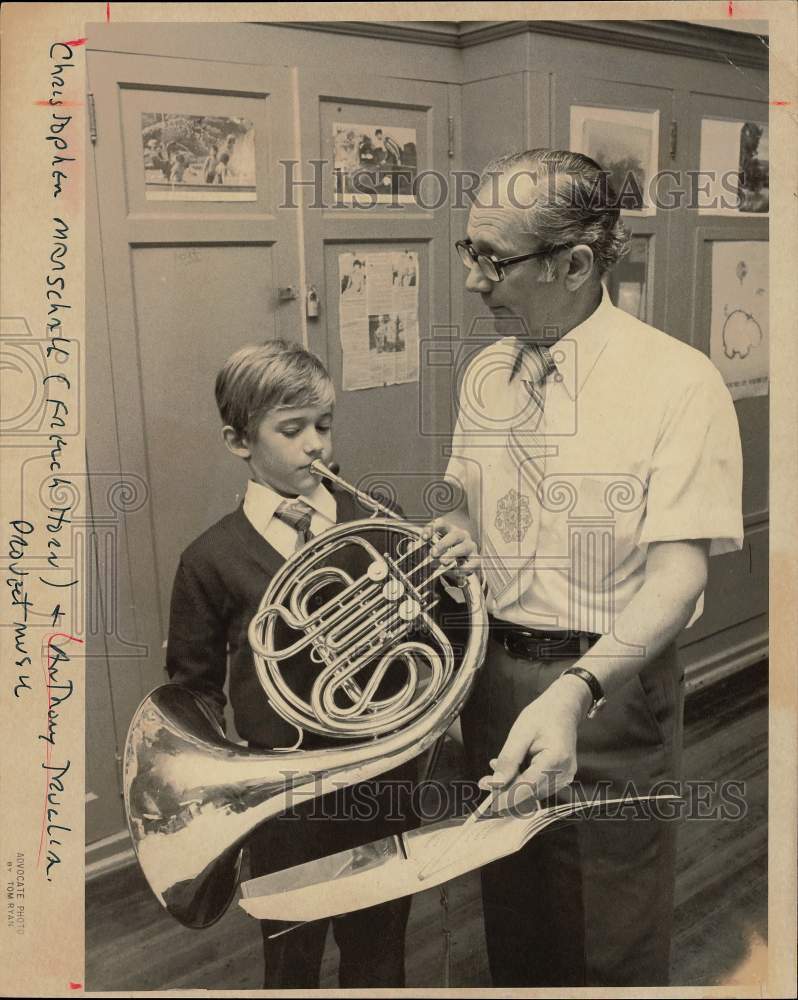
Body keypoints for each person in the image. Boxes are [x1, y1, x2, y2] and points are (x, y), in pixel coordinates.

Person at [444, 149, 744, 987]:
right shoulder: (484, 373)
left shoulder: (679, 382)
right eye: (468, 251)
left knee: (609, 928)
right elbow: (469, 509)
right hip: (493, 677)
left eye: (491, 260)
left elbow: (678, 579)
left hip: (608, 690)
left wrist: (575, 693)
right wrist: (459, 535)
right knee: (514, 907)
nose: (473, 279)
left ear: (574, 264)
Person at [165, 339, 477, 988]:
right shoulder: (210, 558)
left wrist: (451, 589)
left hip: (379, 785)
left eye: (325, 425)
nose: (316, 445)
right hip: (286, 806)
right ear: (238, 441)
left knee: (380, 954)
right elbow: (191, 697)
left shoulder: (376, 524)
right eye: (292, 429)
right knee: (291, 962)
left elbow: (436, 645)